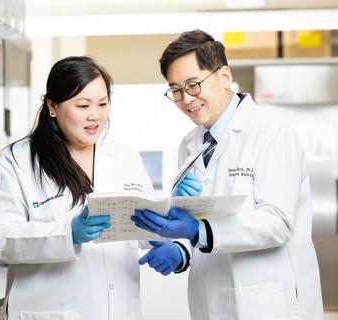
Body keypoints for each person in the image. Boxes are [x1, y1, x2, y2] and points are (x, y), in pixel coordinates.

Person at [131, 30, 324, 320]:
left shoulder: (271, 132)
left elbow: (278, 222)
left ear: (223, 76)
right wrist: (181, 250)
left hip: (268, 303)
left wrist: (197, 231)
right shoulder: (190, 145)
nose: (186, 99)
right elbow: (198, 224)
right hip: (210, 301)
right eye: (176, 90)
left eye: (193, 85)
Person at [0, 56, 155, 320]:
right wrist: (67, 233)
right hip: (49, 311)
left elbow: (143, 224)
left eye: (103, 104)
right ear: (53, 106)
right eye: (83, 105)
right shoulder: (18, 160)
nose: (95, 115)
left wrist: (166, 237)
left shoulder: (126, 157)